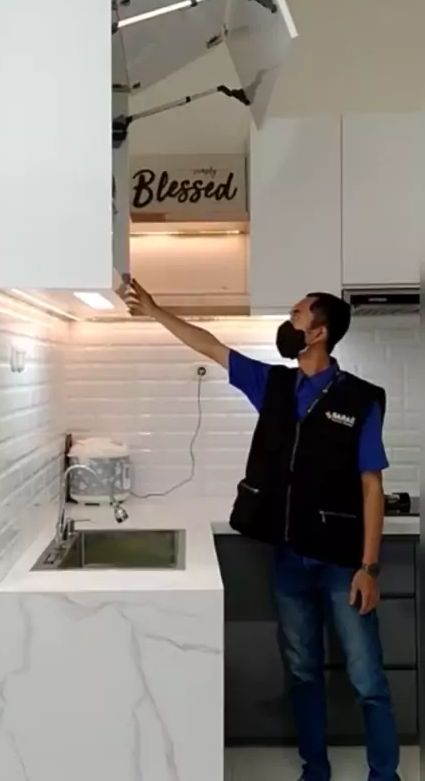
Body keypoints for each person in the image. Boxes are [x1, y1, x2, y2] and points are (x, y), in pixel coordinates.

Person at [126, 279, 400, 781]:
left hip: (343, 562)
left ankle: (385, 775)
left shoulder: (361, 398)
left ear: (318, 333)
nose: (287, 323)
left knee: (367, 679)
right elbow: (210, 346)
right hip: (289, 557)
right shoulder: (272, 384)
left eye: (296, 315)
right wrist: (155, 310)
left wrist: (369, 567)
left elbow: (372, 488)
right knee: (302, 672)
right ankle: (315, 770)